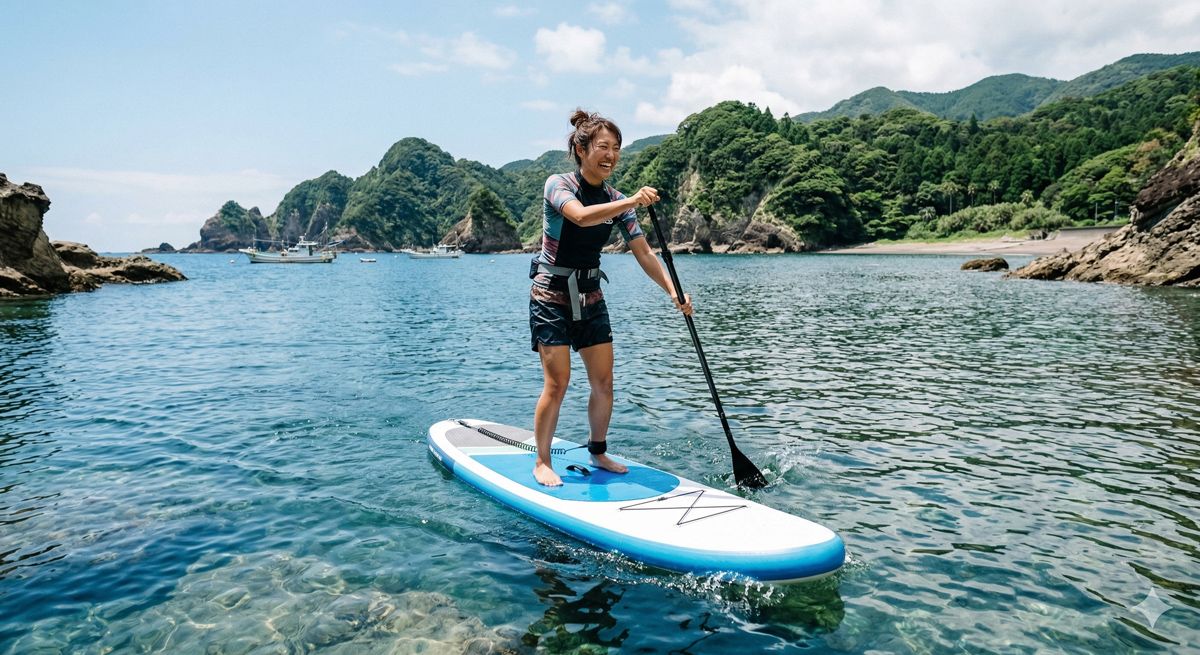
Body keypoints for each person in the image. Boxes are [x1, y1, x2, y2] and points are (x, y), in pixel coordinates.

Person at [529, 109, 693, 487]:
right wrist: (632, 200)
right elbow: (582, 217)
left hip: (590, 297)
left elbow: (644, 252)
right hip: (549, 295)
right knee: (557, 383)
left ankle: (598, 450)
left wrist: (673, 291)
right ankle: (541, 460)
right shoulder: (559, 185)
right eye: (603, 147)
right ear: (581, 148)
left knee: (604, 382)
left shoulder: (618, 200)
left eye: (617, 149)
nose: (611, 155)